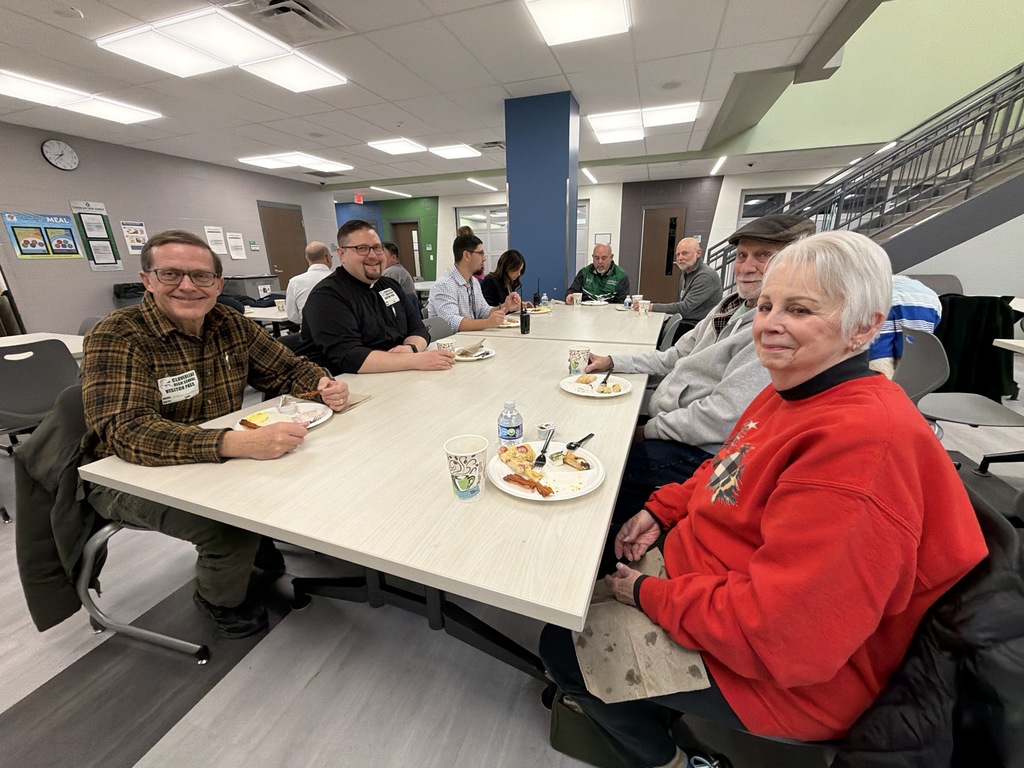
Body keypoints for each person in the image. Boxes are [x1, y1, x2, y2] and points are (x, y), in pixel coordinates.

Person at [540, 230, 988, 768]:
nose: (769, 323)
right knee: (584, 584)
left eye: (799, 309)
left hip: (784, 676)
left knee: (561, 648)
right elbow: (727, 465)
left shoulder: (862, 450)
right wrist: (661, 510)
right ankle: (648, 699)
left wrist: (649, 594)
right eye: (769, 305)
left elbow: (788, 639)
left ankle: (679, 762)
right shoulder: (797, 390)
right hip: (709, 579)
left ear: (864, 327)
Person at [80, 230, 350, 638]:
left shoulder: (229, 324)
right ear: (147, 279)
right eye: (171, 274)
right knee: (228, 530)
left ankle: (251, 548)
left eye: (201, 276)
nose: (187, 286)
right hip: (125, 473)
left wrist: (323, 383)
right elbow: (128, 432)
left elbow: (289, 369)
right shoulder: (118, 335)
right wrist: (233, 443)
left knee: (308, 469)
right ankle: (217, 598)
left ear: (218, 285)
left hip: (211, 455)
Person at [586, 215, 815, 519]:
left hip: (701, 451)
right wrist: (612, 361)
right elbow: (671, 357)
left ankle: (607, 552)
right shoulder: (728, 306)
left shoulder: (771, 332)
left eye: (763, 256)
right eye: (742, 255)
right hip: (672, 420)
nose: (747, 266)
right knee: (599, 435)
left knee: (609, 471)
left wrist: (647, 430)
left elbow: (721, 417)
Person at [299, 220, 453, 373]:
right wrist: (414, 360)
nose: (373, 255)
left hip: (396, 374)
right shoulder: (327, 297)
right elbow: (350, 357)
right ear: (341, 254)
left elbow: (418, 329)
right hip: (345, 385)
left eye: (377, 248)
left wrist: (411, 348)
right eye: (362, 248)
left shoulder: (390, 286)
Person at [428, 234, 520, 332]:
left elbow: (484, 311)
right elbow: (451, 322)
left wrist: (506, 306)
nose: (484, 258)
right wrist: (487, 323)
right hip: (451, 343)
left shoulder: (474, 282)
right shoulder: (445, 285)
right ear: (466, 255)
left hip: (469, 339)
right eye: (480, 253)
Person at [868, 274, 942, 378]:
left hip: (878, 300)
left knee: (878, 362)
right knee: (911, 358)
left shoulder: (866, 290)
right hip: (924, 301)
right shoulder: (930, 294)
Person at [650, 237, 722, 335]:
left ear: (698, 253)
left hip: (697, 327)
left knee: (655, 332)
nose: (680, 258)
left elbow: (684, 308)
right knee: (654, 326)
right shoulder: (686, 272)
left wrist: (651, 307)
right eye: (678, 254)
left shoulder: (706, 276)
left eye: (685, 253)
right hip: (686, 320)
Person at [284, 241, 332, 326]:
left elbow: (292, 316)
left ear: (307, 258)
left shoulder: (295, 282)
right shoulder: (341, 279)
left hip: (309, 335)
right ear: (327, 257)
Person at [566, 243, 630, 304]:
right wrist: (569, 296)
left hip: (610, 313)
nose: (600, 262)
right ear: (593, 257)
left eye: (604, 258)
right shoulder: (584, 272)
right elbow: (572, 290)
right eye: (596, 258)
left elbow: (622, 303)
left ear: (611, 257)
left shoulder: (621, 275)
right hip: (586, 312)